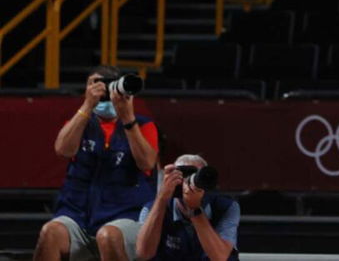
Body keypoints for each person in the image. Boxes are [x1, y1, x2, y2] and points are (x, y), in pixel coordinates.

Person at [35, 67, 158, 261]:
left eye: (108, 84)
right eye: (95, 83)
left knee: (108, 236)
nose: (102, 89)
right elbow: (63, 150)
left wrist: (127, 118)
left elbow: (147, 163)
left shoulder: (142, 125)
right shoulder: (80, 122)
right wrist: (87, 106)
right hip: (79, 214)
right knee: (50, 232)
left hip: (127, 214)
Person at [135, 155, 239, 261]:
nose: (188, 182)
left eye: (197, 175)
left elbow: (220, 257)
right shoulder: (152, 208)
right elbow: (143, 254)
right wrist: (162, 198)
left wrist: (194, 210)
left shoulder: (225, 207)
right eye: (184, 174)